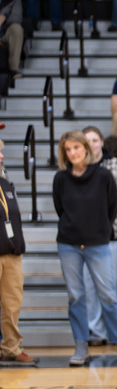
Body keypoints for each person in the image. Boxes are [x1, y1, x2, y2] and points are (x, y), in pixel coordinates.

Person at [53, 131, 117, 366]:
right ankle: (81, 347)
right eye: (68, 149)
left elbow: (113, 206)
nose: (72, 153)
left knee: (108, 295)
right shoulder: (60, 179)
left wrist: (100, 230)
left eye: (76, 147)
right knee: (76, 296)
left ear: (86, 148)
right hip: (69, 244)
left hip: (97, 243)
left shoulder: (104, 176)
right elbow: (60, 208)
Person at [0, 137, 35, 365]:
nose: (2, 156)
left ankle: (10, 347)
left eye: (1, 151)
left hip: (11, 252)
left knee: (12, 303)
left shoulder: (5, 182)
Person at [0, 0, 24, 79]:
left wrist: (4, 17)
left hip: (5, 32)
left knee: (17, 29)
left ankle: (13, 69)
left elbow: (16, 17)